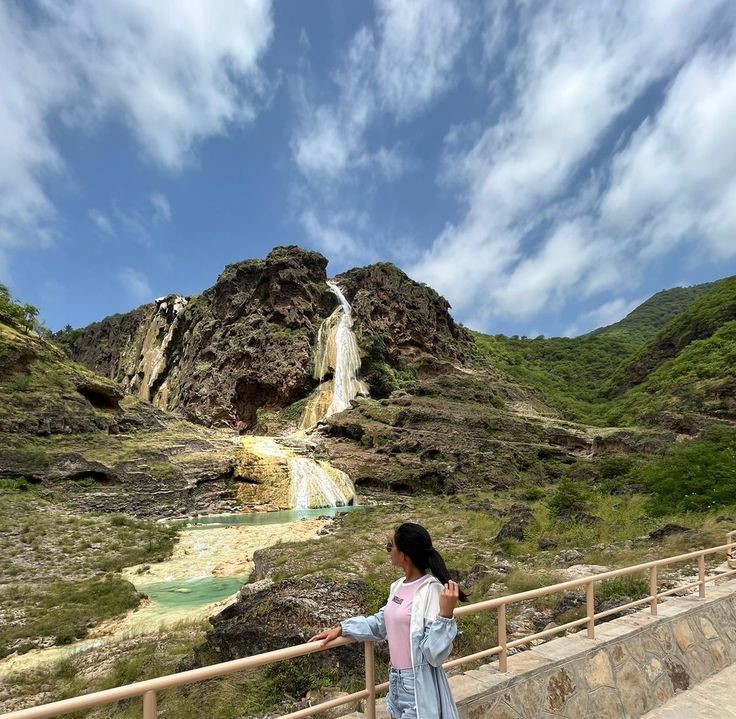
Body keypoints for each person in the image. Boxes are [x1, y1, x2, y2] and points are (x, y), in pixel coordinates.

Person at [310, 522, 468, 719]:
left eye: (390, 546)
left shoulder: (431, 590)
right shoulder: (398, 586)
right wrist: (342, 629)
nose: (388, 550)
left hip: (417, 684)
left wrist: (445, 615)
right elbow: (380, 623)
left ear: (404, 555)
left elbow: (434, 655)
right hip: (395, 680)